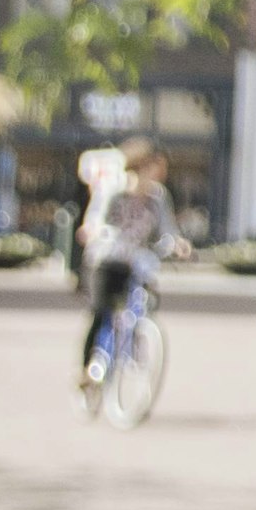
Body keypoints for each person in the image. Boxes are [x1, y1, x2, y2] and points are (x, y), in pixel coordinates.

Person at [77, 142, 177, 380]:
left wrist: (178, 244)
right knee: (102, 313)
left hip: (134, 263)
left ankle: (133, 341)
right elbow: (96, 220)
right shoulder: (114, 190)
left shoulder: (158, 198)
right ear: (141, 166)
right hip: (106, 259)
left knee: (142, 299)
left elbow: (168, 229)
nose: (160, 174)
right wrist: (96, 231)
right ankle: (86, 370)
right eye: (155, 167)